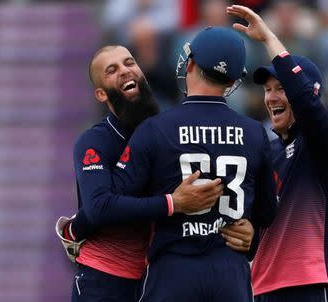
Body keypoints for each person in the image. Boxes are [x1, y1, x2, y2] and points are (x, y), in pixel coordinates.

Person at [55, 44, 254, 302]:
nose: (125, 71)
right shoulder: (94, 142)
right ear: (101, 94)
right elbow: (98, 207)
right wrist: (173, 203)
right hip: (104, 279)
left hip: (159, 277)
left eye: (129, 63)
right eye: (112, 70)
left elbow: (212, 190)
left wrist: (249, 229)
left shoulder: (168, 129)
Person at [112, 26, 277, 301]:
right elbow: (267, 213)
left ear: (189, 63)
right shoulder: (254, 132)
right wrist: (251, 235)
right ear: (234, 79)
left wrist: (170, 203)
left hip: (173, 271)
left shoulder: (156, 129)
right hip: (230, 274)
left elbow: (116, 206)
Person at [227, 5, 328, 302]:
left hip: (311, 284)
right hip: (262, 289)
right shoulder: (265, 151)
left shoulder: (326, 140)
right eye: (268, 90)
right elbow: (260, 231)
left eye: (280, 88)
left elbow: (306, 103)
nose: (271, 98)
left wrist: (269, 38)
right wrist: (248, 236)